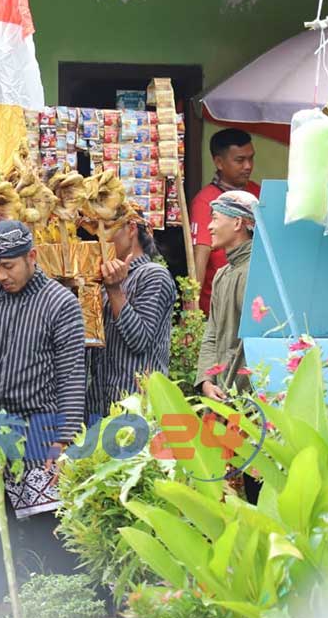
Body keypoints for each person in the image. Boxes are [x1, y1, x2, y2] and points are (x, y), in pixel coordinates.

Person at [0, 220, 85, 580]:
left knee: (48, 534)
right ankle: (2, 612)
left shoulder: (60, 303)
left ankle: (60, 606)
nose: (1, 275)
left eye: (9, 265)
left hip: (42, 433)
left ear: (32, 256)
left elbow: (73, 375)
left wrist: (63, 439)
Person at [88, 219, 177, 418]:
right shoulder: (105, 279)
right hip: (101, 406)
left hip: (137, 407)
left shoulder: (154, 275)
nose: (101, 238)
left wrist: (114, 291)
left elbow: (139, 340)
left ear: (131, 229)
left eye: (108, 228)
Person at [196, 191, 259, 400]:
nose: (209, 227)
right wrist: (206, 380)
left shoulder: (256, 272)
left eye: (215, 218)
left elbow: (251, 345)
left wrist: (233, 392)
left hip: (246, 397)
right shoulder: (222, 275)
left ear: (237, 223)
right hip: (223, 392)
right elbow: (212, 334)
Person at [189, 129, 259, 314]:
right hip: (217, 307)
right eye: (240, 160)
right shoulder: (205, 201)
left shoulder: (257, 194)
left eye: (251, 158)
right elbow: (199, 259)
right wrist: (190, 312)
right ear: (219, 162)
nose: (248, 166)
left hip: (254, 301)